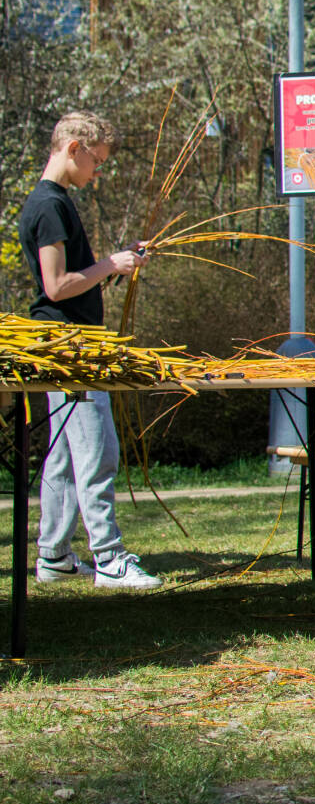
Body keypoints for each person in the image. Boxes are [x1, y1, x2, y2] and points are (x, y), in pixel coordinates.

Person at [21, 112, 161, 589]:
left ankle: (54, 556)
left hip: (65, 344)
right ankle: (109, 558)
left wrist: (115, 262)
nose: (98, 172)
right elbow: (57, 286)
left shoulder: (55, 201)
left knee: (63, 457)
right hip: (70, 348)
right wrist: (109, 264)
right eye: (96, 162)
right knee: (97, 451)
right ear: (74, 148)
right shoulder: (48, 206)